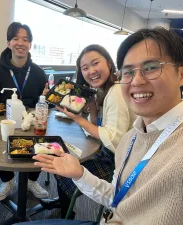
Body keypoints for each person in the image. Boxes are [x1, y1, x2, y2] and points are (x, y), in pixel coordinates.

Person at [20, 27, 183, 225]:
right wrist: (80, 173)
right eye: (128, 72)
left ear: (182, 74)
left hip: (107, 155)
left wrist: (77, 119)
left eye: (151, 67)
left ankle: (66, 209)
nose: (137, 80)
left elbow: (110, 136)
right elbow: (119, 199)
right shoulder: (132, 138)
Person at [43, 44, 135, 218]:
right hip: (107, 151)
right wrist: (92, 108)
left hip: (119, 161)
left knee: (62, 168)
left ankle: (67, 214)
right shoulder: (102, 91)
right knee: (61, 158)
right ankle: (64, 201)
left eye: (95, 63)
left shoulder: (115, 92)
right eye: (85, 68)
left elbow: (113, 139)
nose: (91, 71)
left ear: (108, 63)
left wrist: (78, 118)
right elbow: (98, 125)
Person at [0, 22, 49, 201]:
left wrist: (46, 98)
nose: (20, 43)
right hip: (5, 118)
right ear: (8, 43)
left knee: (43, 141)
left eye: (25, 39)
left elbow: (46, 104)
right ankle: (7, 181)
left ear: (30, 45)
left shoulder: (39, 72)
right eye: (15, 38)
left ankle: (32, 180)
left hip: (31, 120)